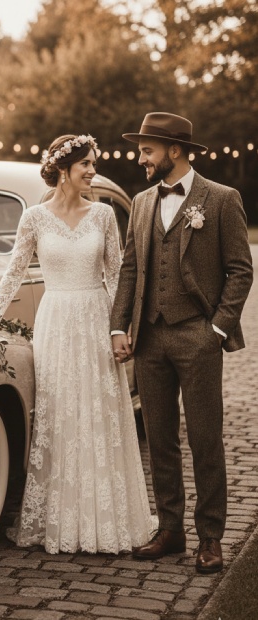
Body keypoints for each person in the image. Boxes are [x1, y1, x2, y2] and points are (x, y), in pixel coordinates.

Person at [0, 134, 155, 554]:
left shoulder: (102, 215)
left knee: (100, 413)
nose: (93, 171)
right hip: (57, 321)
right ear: (65, 169)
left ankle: (107, 516)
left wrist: (122, 327)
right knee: (60, 414)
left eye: (93, 165)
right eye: (86, 165)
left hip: (97, 317)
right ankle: (62, 518)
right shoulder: (34, 218)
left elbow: (116, 274)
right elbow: (13, 271)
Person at [111, 112, 253, 573]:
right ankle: (171, 529)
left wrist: (216, 327)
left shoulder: (221, 199)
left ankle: (210, 537)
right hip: (150, 338)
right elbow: (131, 269)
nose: (140, 158)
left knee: (205, 439)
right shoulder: (142, 201)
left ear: (174, 150)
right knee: (160, 439)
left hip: (198, 334)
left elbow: (240, 270)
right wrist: (120, 327)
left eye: (147, 150)